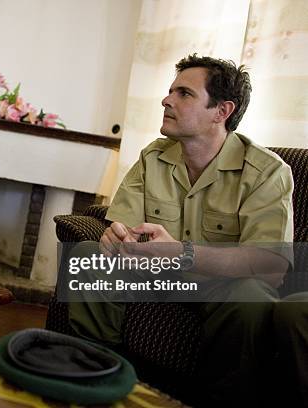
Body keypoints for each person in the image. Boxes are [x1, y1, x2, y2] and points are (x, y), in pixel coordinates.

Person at [66, 54, 306, 406]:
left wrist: (183, 254)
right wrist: (116, 236)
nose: (167, 100)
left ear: (221, 111)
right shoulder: (153, 156)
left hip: (220, 288)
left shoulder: (267, 172)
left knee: (252, 295)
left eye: (184, 94)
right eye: (169, 92)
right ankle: (94, 378)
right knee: (89, 256)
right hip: (156, 277)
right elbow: (123, 226)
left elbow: (272, 265)